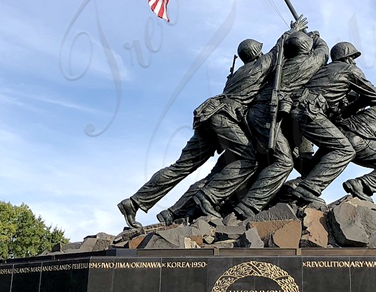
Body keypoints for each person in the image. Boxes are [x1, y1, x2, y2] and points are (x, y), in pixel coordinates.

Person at [117, 35, 279, 229]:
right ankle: (208, 197)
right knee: (249, 159)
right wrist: (295, 30)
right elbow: (278, 51)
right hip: (223, 119)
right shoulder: (258, 66)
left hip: (208, 115)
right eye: (259, 51)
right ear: (256, 53)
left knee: (180, 167)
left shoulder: (237, 74)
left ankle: (134, 202)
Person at [231, 29, 329, 219]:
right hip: (266, 115)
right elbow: (323, 52)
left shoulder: (278, 67)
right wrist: (316, 37)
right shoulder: (307, 63)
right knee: (284, 162)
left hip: (268, 116)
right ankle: (247, 207)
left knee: (294, 158)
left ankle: (297, 193)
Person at [288, 41, 376, 204]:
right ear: (346, 57)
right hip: (309, 111)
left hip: (297, 109)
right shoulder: (350, 70)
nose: (354, 62)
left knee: (324, 150)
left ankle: (297, 184)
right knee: (345, 149)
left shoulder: (324, 69)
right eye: (353, 58)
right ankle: (308, 189)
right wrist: (356, 106)